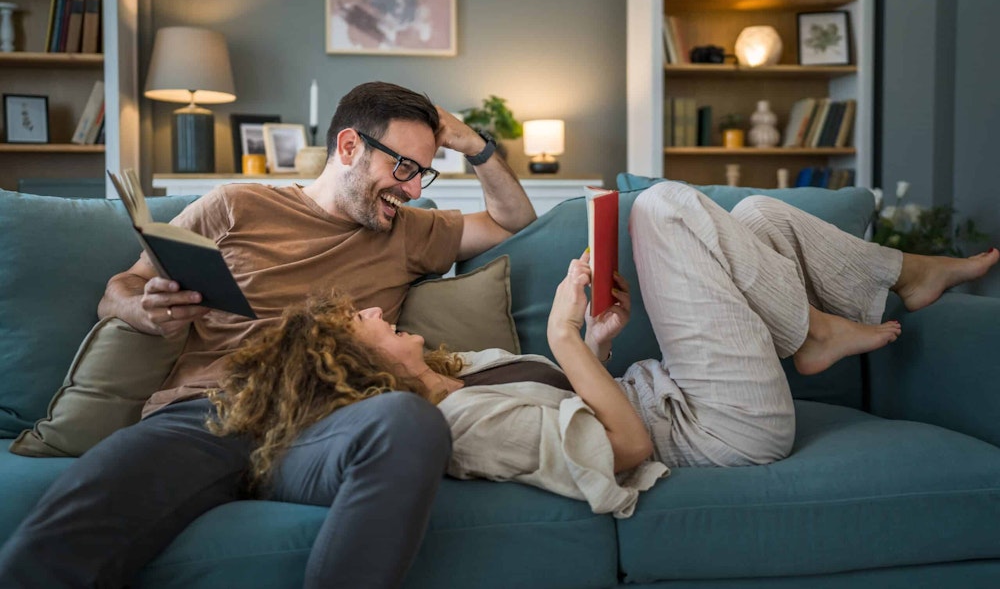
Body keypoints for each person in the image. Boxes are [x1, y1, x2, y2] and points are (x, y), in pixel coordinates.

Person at [0, 81, 537, 589]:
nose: (414, 188)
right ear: (349, 146)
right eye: (403, 166)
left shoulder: (408, 230)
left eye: (423, 173)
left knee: (408, 420)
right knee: (48, 547)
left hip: (325, 424)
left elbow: (512, 221)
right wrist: (140, 309)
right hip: (208, 413)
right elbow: (121, 287)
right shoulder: (234, 206)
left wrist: (475, 145)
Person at [206, 181, 998, 514]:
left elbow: (585, 398)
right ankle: (814, 332)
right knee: (660, 208)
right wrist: (559, 336)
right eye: (364, 326)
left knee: (756, 215)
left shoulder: (453, 374)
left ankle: (903, 274)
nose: (380, 316)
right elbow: (624, 444)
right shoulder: (464, 427)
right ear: (359, 369)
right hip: (719, 431)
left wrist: (595, 340)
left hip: (672, 388)